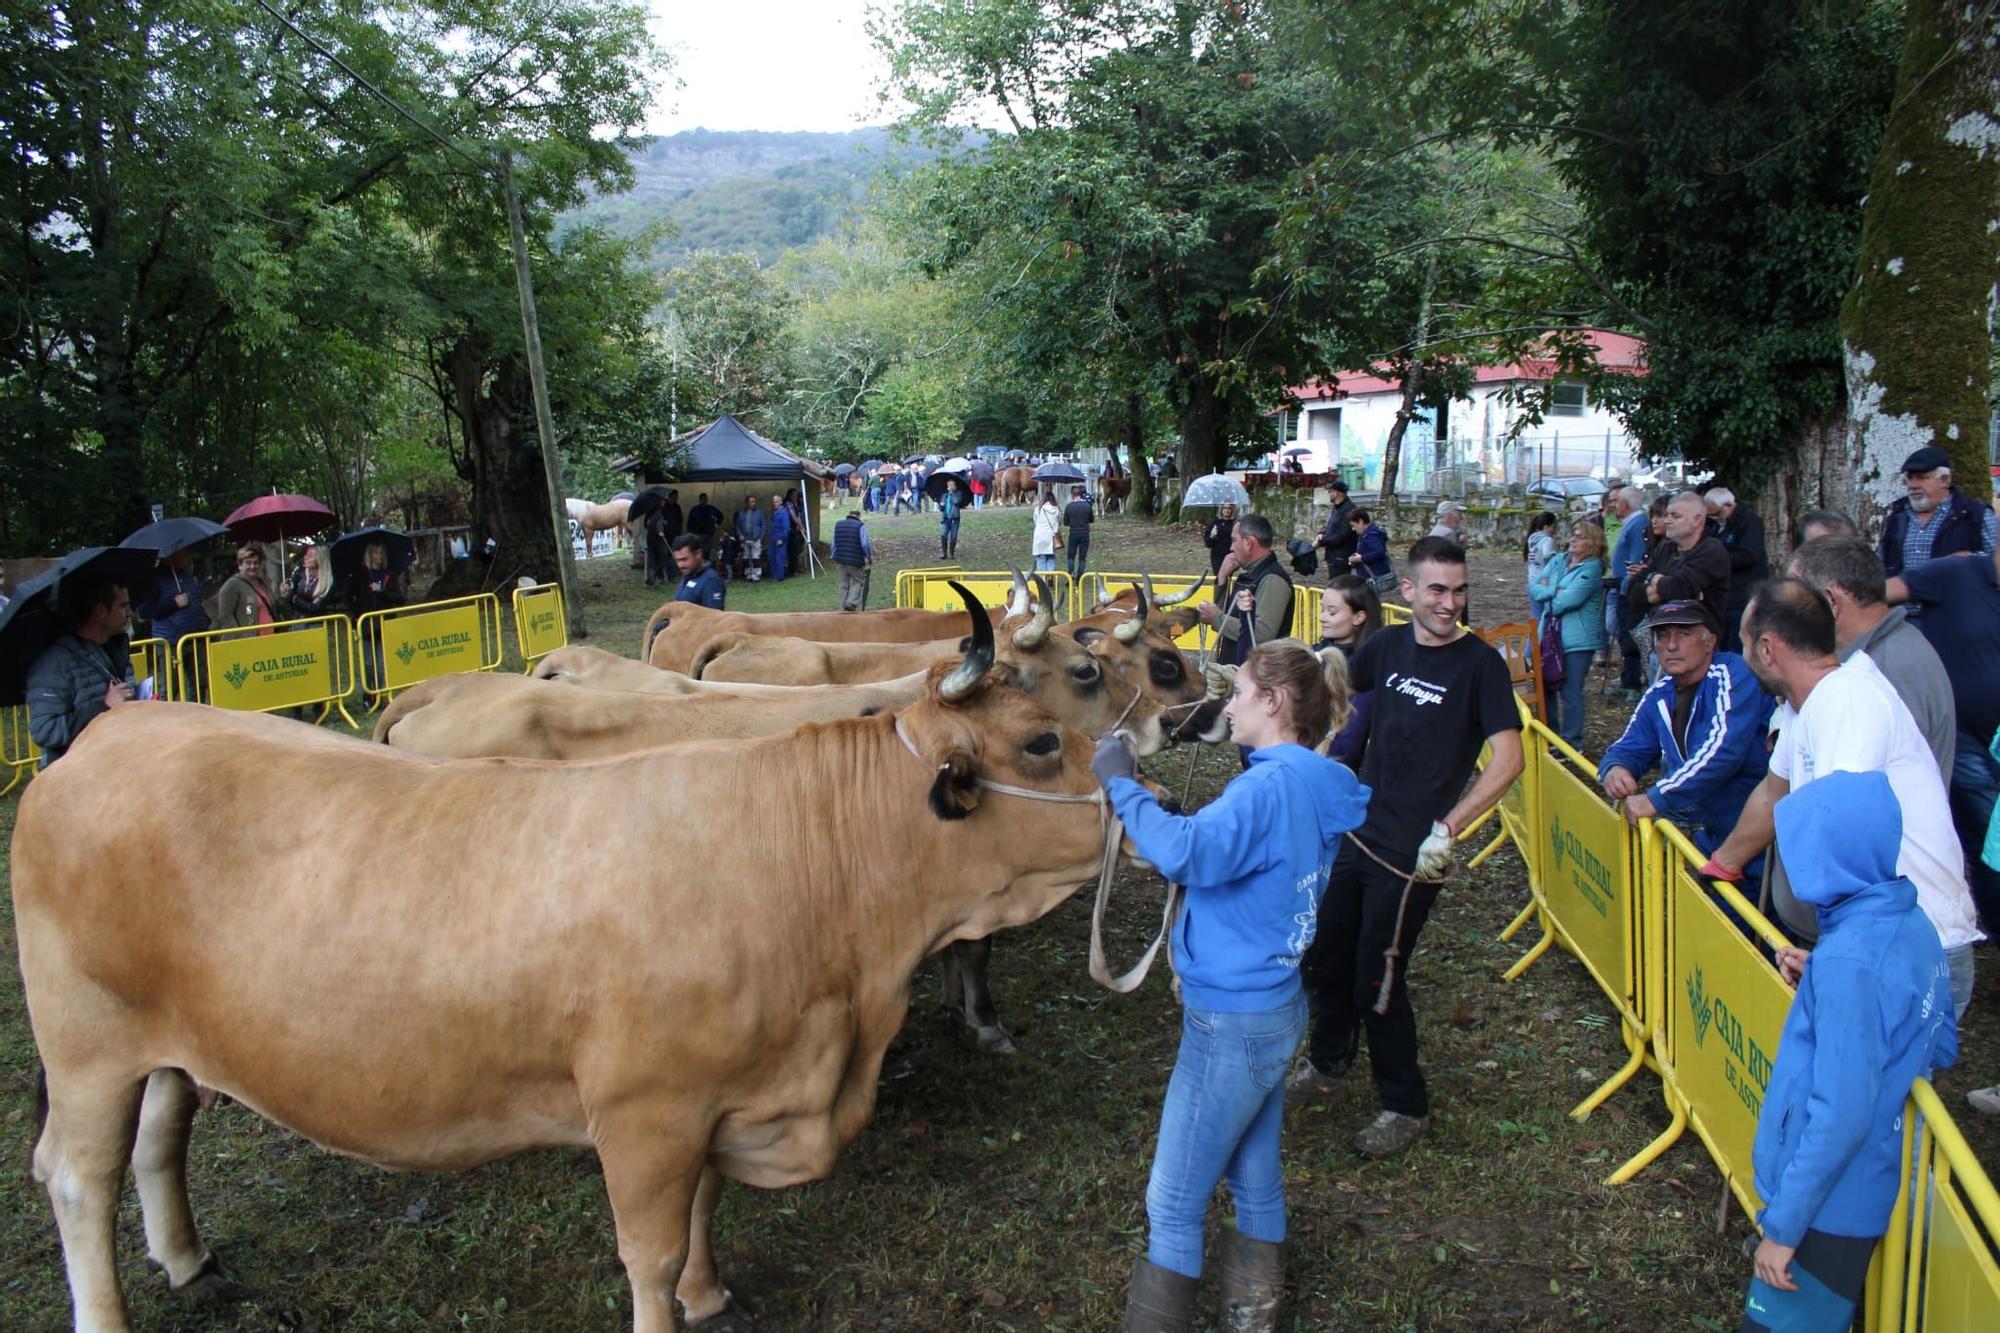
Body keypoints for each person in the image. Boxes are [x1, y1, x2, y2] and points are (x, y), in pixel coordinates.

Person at [1092, 640, 1370, 1332]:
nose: (1230, 706)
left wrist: (1121, 780)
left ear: (1274, 702)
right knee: (1254, 1176)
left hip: (1231, 1022)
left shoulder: (1264, 791)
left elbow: (1185, 850)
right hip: (1275, 1004)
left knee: (1175, 1199)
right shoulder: (1316, 779)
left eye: (1241, 693)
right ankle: (1253, 1317)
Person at [1292, 537, 1526, 1156]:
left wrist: (1449, 827)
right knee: (1326, 954)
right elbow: (1337, 696)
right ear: (1410, 592)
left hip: (1412, 853)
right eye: (1439, 590)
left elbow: (1510, 758)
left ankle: (1404, 1103)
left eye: (1461, 590)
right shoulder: (1389, 647)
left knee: (1379, 976)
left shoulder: (1480, 667)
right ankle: (1327, 1060)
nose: (1452, 603)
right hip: (1358, 834)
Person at [1742, 771, 1956, 1333]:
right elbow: (1940, 1034)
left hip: (1827, 1209)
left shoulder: (1849, 964)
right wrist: (1828, 986)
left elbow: (1840, 1116)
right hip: (1864, 1187)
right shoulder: (1909, 921)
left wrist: (1783, 1230)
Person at [1706, 579, 1982, 1011]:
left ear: (1766, 649)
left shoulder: (1847, 701)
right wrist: (1720, 866)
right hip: (1880, 944)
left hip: (1914, 948)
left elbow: (1849, 838)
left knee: (1876, 1080)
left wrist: (1841, 958)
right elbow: (1771, 794)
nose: (1741, 657)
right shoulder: (1804, 704)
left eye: (1742, 643)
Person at [1598, 600, 1775, 900]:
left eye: (1683, 634)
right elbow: (1629, 744)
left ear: (1710, 642)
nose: (1671, 645)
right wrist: (1616, 768)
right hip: (1713, 836)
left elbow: (1722, 750)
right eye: (1663, 636)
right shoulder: (1660, 694)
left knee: (1769, 930)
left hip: (1762, 837)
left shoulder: (1733, 674)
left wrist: (1656, 798)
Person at [1887, 540, 2000, 955]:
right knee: (1989, 837)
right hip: (1968, 738)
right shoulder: (1955, 573)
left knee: (1982, 839)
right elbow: (1875, 598)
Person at [1788, 537, 1955, 778]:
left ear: (1830, 601)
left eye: (1795, 600)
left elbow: (1866, 790)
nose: (1787, 616)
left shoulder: (1887, 668)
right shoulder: (1890, 648)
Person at [26, 575, 138, 767]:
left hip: (115, 764)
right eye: (122, 606)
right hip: (75, 775)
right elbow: (45, 731)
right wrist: (103, 706)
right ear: (101, 610)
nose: (130, 613)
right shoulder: (55, 663)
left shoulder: (117, 650)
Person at [1528, 521, 1607, 749]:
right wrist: (1554, 590)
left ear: (1593, 543)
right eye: (1573, 534)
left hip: (1576, 641)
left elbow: (1566, 602)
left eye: (1580, 537)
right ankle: (1552, 736)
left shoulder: (1592, 569)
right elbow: (1534, 589)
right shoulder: (1558, 560)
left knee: (1571, 691)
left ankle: (1572, 743)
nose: (1573, 539)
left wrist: (1549, 590)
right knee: (1544, 685)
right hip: (1548, 635)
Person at [1877, 444, 1997, 580]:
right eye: (1910, 478)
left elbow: (1996, 563)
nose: (1913, 485)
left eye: (1921, 477)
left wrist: (1968, 562)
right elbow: (1882, 563)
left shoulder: (1976, 515)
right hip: (1902, 600)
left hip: (1957, 600)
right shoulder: (1898, 514)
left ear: (1944, 480)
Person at [1199, 514, 1294, 668]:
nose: (1231, 547)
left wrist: (1216, 618)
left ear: (1248, 543)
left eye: (1234, 540)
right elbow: (1226, 616)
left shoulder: (1273, 580)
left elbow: (1262, 633)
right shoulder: (1250, 577)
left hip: (1257, 678)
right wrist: (1222, 578)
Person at [1635, 491, 1731, 637]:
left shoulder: (1711, 550)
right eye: (1667, 515)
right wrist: (1659, 583)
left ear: (1697, 520)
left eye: (1675, 516)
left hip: (1696, 638)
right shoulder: (1665, 548)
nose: (1667, 521)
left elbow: (1679, 588)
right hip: (1660, 636)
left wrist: (1651, 578)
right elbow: (1633, 589)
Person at [1316, 574, 1379, 767]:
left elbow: (1348, 747)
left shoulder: (1367, 671)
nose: (1321, 617)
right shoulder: (1316, 654)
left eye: (1332, 612)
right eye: (1322, 609)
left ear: (1359, 617)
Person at [1705, 487, 1767, 653]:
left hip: (1742, 594)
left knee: (1738, 645)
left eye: (1716, 514)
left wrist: (1717, 561)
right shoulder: (1717, 526)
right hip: (1724, 597)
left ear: (1728, 506)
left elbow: (1749, 555)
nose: (1714, 518)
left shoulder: (1749, 522)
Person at [1605, 488, 1649, 696]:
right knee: (1621, 632)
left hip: (1629, 590)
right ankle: (1628, 677)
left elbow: (1635, 559)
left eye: (1617, 501)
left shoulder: (1638, 524)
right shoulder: (1631, 523)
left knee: (1630, 635)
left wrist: (1626, 585)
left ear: (1626, 504)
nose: (1614, 505)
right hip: (1622, 586)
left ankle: (1632, 681)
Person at [137, 548, 210, 654]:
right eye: (182, 554)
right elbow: (145, 612)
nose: (186, 557)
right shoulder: (153, 579)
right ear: (171, 557)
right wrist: (174, 603)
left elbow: (195, 600)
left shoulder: (186, 575)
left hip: (197, 638)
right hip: (171, 643)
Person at [217, 545, 282, 634]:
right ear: (240, 565)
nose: (253, 566)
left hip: (271, 638)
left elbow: (275, 608)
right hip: (248, 642)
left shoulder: (263, 583)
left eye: (256, 563)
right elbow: (225, 616)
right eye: (248, 563)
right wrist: (240, 637)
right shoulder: (232, 585)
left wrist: (283, 595)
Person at [1313, 479, 1357, 582]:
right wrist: (1322, 534)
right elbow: (1332, 528)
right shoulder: (1338, 508)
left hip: (1341, 557)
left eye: (1330, 492)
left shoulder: (1348, 510)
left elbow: (1342, 535)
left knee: (1338, 586)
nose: (1329, 494)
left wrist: (1321, 541)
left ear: (1336, 493)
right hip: (1334, 555)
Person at [1522, 511, 1560, 622]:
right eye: (1553, 526)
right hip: (1543, 585)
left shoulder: (1532, 539)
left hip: (1532, 583)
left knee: (1537, 619)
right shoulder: (1547, 540)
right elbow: (1550, 562)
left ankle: (1532, 639)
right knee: (1545, 621)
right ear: (1546, 526)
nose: (1555, 529)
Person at [670, 533, 725, 609]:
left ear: (698, 554)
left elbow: (715, 617)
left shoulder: (711, 581)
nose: (680, 565)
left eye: (684, 559)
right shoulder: (689, 575)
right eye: (677, 560)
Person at [1346, 507, 1394, 594]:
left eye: (1353, 525)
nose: (1353, 529)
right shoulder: (1368, 534)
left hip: (1373, 577)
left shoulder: (1370, 535)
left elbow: (1379, 552)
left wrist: (1361, 558)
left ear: (1360, 521)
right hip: (1371, 577)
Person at [832, 509, 871, 612]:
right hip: (855, 560)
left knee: (843, 583)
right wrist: (868, 556)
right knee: (858, 581)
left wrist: (834, 556)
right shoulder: (860, 526)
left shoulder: (838, 525)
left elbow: (833, 543)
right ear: (858, 516)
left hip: (840, 559)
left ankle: (842, 606)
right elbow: (865, 544)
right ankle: (851, 602)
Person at [286, 542, 336, 619]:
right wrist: (286, 594)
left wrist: (295, 598)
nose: (305, 557)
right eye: (306, 554)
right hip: (298, 622)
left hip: (316, 624)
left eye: (311, 556)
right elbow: (289, 600)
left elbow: (316, 608)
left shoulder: (328, 581)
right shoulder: (299, 575)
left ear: (320, 559)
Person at [1062, 483, 1093, 578]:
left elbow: (1065, 522)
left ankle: (1071, 574)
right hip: (1084, 533)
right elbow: (1091, 519)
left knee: (1071, 555)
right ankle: (1080, 576)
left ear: (1072, 495)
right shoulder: (1087, 506)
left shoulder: (1069, 507)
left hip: (1073, 533)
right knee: (1082, 557)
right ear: (1081, 494)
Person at [736, 496, 767, 582]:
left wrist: (761, 536)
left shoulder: (759, 513)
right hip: (745, 539)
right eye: (752, 502)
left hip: (756, 539)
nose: (754, 503)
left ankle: (756, 575)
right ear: (746, 503)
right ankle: (749, 574)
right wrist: (740, 535)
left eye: (754, 502)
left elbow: (763, 525)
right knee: (746, 557)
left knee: (756, 557)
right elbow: (738, 526)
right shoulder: (741, 513)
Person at [686, 493, 724, 565]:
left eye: (705, 499)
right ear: (700, 500)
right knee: (698, 551)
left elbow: (720, 515)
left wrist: (717, 524)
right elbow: (689, 522)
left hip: (708, 533)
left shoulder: (711, 509)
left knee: (707, 550)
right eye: (702, 499)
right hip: (697, 534)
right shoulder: (695, 510)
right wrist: (690, 533)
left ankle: (705, 565)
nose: (704, 501)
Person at [1204, 502, 1239, 578]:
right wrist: (1212, 536)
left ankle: (1227, 590)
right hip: (1217, 557)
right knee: (1219, 577)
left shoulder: (1235, 524)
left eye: (1229, 508)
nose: (1227, 510)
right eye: (1225, 508)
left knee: (1228, 578)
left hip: (1230, 555)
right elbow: (1207, 544)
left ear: (1232, 510)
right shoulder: (1214, 523)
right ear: (1221, 510)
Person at [1031, 488, 1062, 573]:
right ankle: (1050, 574)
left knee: (1040, 557)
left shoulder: (1038, 509)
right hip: (1051, 536)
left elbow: (1035, 520)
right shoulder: (1057, 509)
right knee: (1050, 556)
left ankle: (1043, 577)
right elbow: (1060, 522)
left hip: (1040, 535)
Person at [767, 493, 793, 583]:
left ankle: (779, 577)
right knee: (772, 557)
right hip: (773, 538)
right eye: (774, 502)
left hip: (780, 538)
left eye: (777, 501)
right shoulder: (775, 512)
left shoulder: (783, 513)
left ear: (781, 502)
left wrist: (782, 539)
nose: (775, 503)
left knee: (779, 558)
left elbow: (786, 528)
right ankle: (774, 575)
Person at [938, 477, 965, 561]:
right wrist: (941, 505)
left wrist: (952, 493)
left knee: (953, 537)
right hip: (945, 518)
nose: (950, 486)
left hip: (954, 518)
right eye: (949, 485)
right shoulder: (944, 495)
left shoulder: (958, 494)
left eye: (952, 485)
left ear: (955, 486)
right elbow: (941, 507)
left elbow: (957, 501)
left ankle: (951, 554)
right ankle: (944, 553)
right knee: (943, 535)